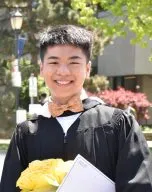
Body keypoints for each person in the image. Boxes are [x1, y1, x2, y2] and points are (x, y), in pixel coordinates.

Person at [0, 25, 152, 192]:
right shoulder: (26, 133)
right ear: (41, 68)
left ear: (87, 69)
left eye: (73, 62)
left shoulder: (119, 124)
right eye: (54, 62)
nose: (63, 71)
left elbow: (139, 186)